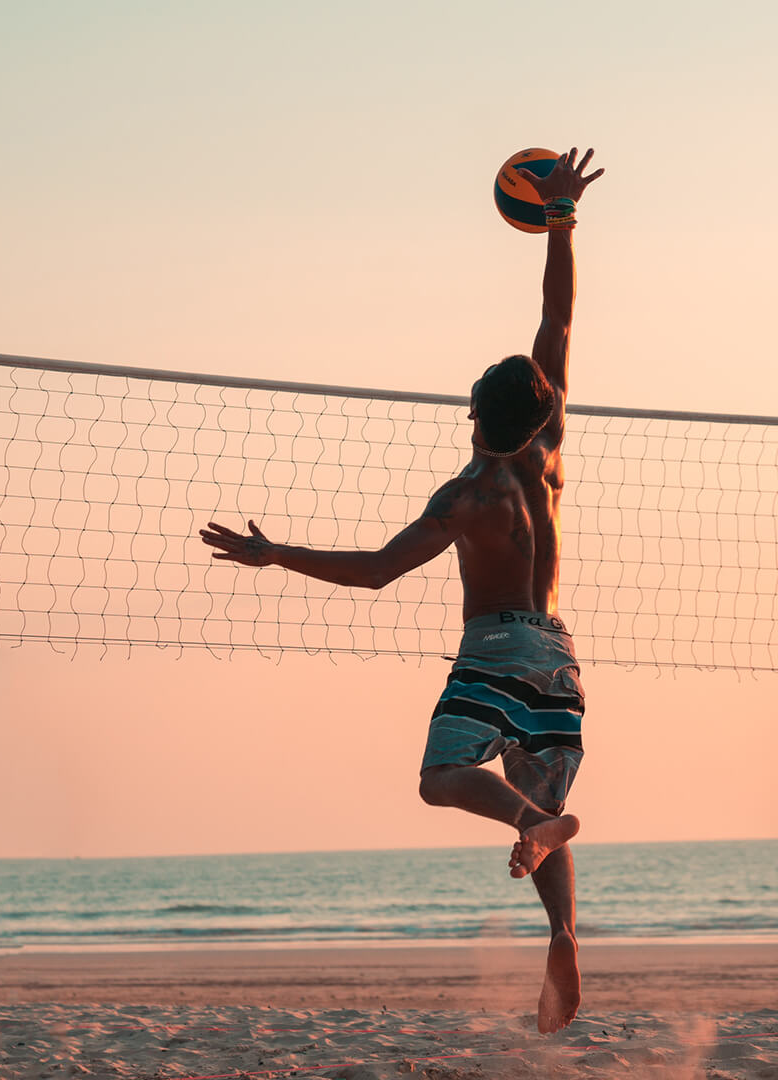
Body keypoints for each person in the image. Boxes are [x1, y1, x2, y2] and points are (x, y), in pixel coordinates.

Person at [200, 148, 604, 1033]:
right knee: (549, 805)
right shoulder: (551, 453)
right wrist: (562, 218)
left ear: (477, 417)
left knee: (442, 777)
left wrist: (277, 556)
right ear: (541, 411)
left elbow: (377, 569)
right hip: (559, 650)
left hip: (496, 647)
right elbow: (558, 322)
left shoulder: (465, 499)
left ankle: (530, 823)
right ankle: (565, 934)